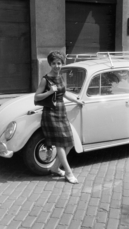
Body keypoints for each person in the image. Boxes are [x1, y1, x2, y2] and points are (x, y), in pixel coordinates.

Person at [34, 51, 83, 184]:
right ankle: (68, 172)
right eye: (54, 63)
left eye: (59, 63)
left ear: (62, 64)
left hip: (61, 112)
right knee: (60, 144)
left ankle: (55, 168)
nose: (57, 66)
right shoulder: (45, 79)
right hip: (50, 113)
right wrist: (49, 92)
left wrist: (77, 100)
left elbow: (64, 92)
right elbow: (36, 97)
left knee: (70, 143)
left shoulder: (60, 77)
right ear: (50, 64)